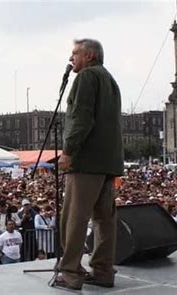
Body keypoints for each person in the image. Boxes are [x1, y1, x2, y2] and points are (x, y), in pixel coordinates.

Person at [56, 39, 123, 290]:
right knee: (104, 219)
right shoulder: (110, 80)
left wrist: (69, 150)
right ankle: (103, 270)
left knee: (75, 216)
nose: (71, 57)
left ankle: (71, 272)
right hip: (108, 161)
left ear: (90, 55)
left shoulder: (85, 78)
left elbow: (81, 117)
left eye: (75, 53)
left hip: (86, 161)